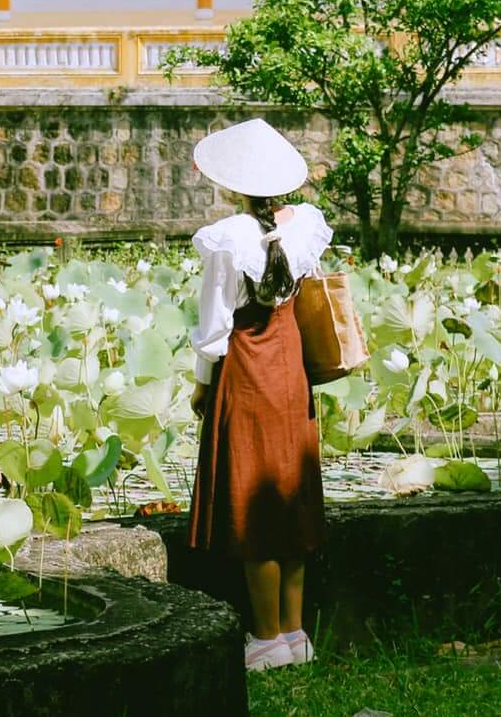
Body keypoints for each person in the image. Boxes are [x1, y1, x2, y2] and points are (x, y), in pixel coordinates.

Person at [186, 117, 332, 672]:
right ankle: (294, 634)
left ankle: (265, 638)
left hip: (247, 377)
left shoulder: (227, 239)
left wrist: (202, 388)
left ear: (234, 186)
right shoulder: (305, 227)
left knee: (252, 510)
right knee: (290, 503)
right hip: (290, 377)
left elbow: (214, 330)